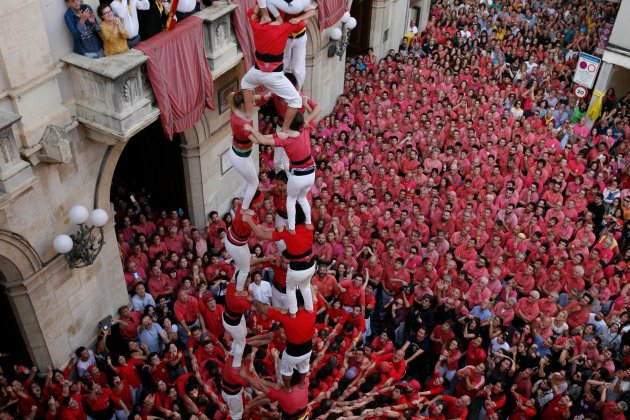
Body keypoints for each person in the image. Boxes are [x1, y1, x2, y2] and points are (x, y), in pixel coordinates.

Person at [240, 6, 306, 136]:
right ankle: (286, 129)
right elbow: (303, 24)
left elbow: (251, 13)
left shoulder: (256, 25)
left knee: (245, 84)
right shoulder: (283, 27)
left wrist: (263, 6)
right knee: (296, 101)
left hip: (257, 71)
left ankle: (248, 115)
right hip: (274, 76)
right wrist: (290, 15)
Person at [247, 112, 315, 232]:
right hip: (311, 174)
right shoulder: (305, 130)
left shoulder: (286, 140)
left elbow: (262, 140)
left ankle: (292, 227)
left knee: (291, 200)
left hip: (298, 175)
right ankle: (308, 222)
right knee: (302, 198)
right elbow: (315, 110)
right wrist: (303, 101)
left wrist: (251, 129)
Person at [244, 203, 315, 316]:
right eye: (283, 261)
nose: (284, 264)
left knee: (291, 291)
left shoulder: (287, 233)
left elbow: (261, 235)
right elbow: (253, 264)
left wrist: (248, 220)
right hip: (307, 268)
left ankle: (293, 314)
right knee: (304, 286)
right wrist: (266, 258)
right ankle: (309, 309)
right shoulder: (309, 226)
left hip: (293, 282)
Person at [251, 289, 316, 388]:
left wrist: (252, 300)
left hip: (292, 352)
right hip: (308, 349)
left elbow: (263, 310)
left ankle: (287, 388)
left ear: (295, 302)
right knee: (304, 367)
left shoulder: (288, 318)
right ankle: (301, 383)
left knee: (286, 371)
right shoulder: (313, 310)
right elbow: (314, 296)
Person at [224, 190, 264, 292]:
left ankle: (233, 281)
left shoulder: (243, 204)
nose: (261, 203)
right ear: (253, 202)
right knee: (245, 269)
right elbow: (260, 235)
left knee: (245, 262)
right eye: (259, 201)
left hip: (237, 240)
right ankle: (239, 291)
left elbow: (248, 188)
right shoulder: (248, 217)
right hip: (234, 244)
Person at [222, 274, 252, 368]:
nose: (249, 282)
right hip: (232, 323)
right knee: (241, 342)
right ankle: (236, 364)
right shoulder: (239, 300)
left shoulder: (232, 284)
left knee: (244, 333)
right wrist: (249, 296)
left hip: (235, 316)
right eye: (248, 281)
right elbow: (254, 307)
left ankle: (233, 351)